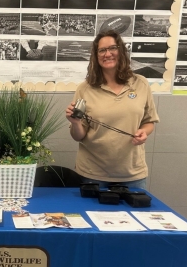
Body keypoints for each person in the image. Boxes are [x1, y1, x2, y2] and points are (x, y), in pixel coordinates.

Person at [65, 29, 159, 190]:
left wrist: (144, 132)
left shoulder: (140, 84)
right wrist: (75, 123)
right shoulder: (85, 88)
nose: (107, 54)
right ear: (96, 55)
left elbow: (149, 122)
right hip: (92, 175)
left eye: (112, 48)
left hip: (132, 174)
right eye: (102, 50)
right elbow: (78, 136)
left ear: (121, 51)